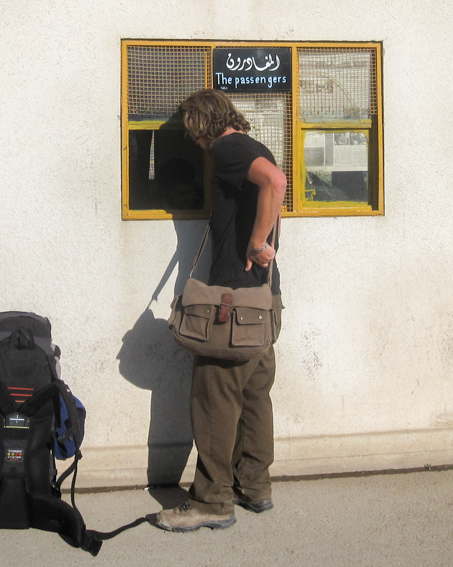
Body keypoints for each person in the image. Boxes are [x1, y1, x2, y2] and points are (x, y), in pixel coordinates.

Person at [157, 89, 286, 532]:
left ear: (201, 124)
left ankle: (212, 502)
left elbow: (275, 182)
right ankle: (254, 486)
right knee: (254, 396)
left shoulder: (230, 148)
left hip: (233, 304)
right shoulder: (254, 145)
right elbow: (272, 181)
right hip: (262, 299)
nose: (193, 142)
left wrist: (254, 243)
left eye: (191, 131)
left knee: (214, 398)